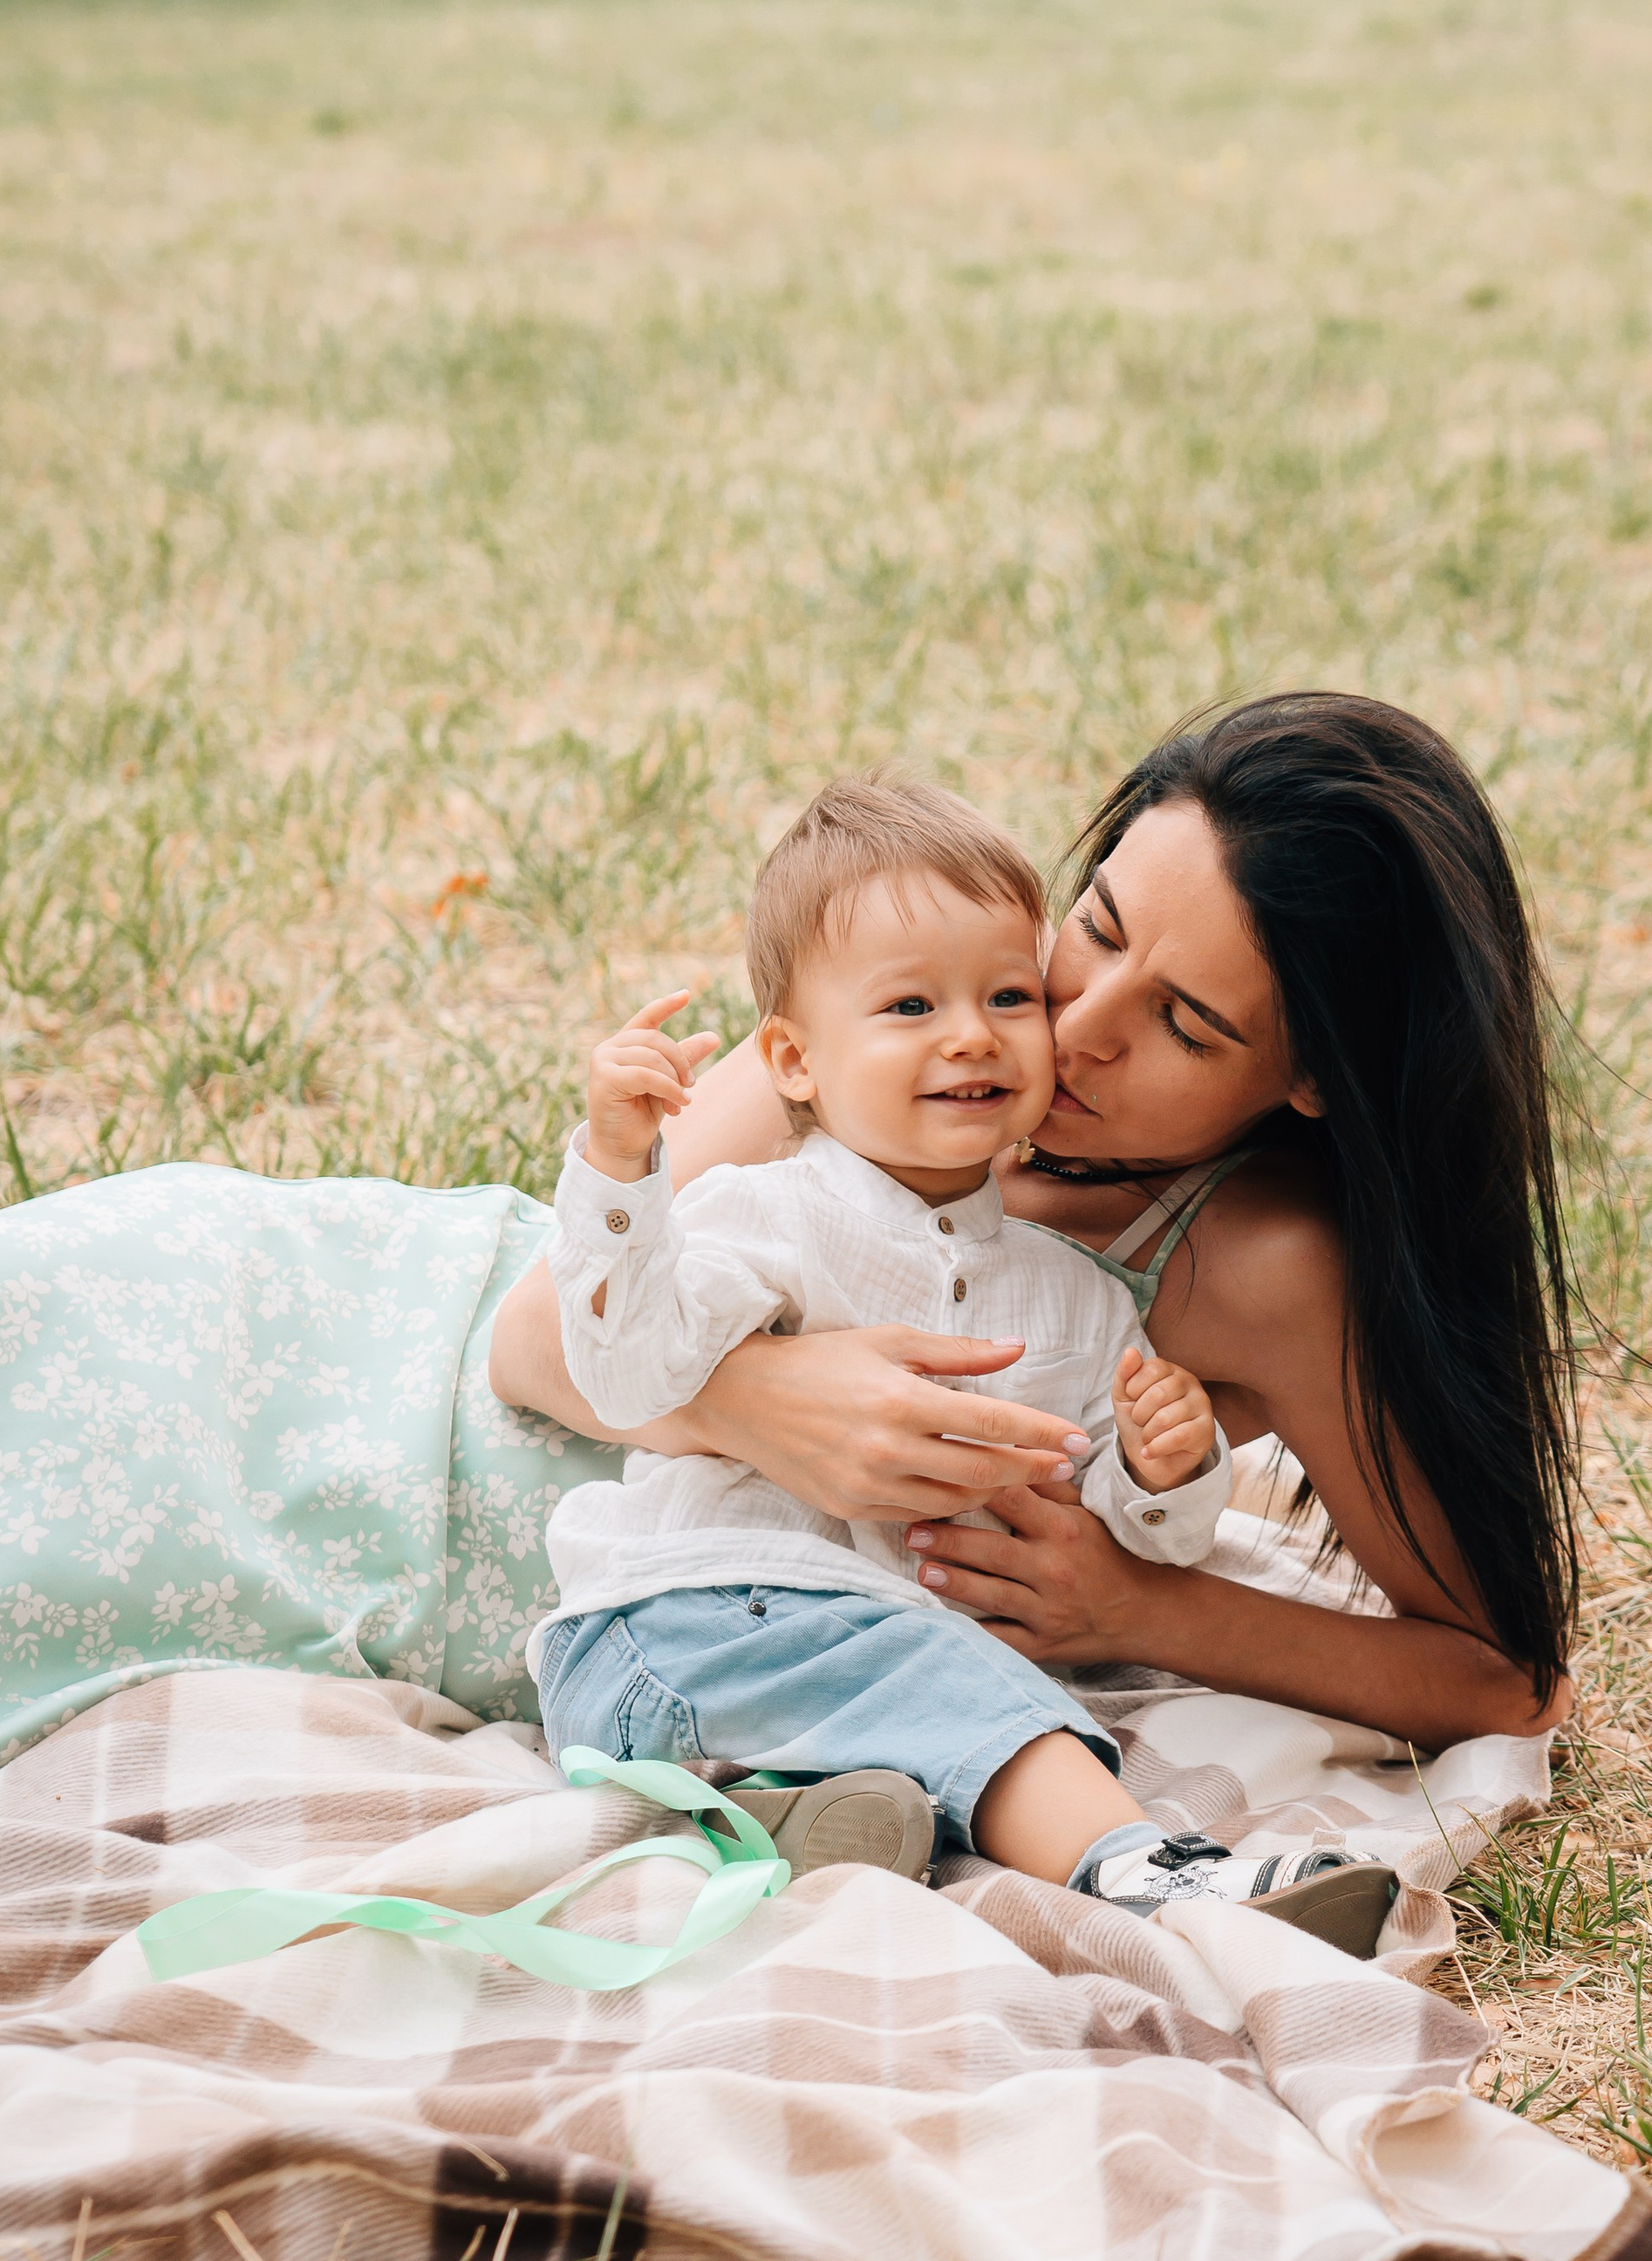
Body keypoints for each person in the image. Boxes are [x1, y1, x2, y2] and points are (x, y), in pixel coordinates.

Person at [492, 691, 1582, 1757]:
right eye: (1098, 930)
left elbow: (1502, 1681)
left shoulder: (1257, 1266)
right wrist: (766, 1403)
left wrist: (1138, 1609)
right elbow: (524, 1337)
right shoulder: (915, 1030)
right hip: (483, 1435)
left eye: (1186, 1025)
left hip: (732, 1646)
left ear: (1314, 1076)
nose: (1080, 1026)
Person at [532, 774, 1392, 1935]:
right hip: (673, 1631)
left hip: (833, 1681)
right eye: (910, 1007)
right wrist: (620, 1167)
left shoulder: (1075, 1300)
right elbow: (624, 1367)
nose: (972, 1033)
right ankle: (1150, 1872)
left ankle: (795, 1815)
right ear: (793, 1059)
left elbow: (1142, 1537)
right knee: (978, 1694)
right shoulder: (760, 1215)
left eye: (1004, 993)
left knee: (931, 1687)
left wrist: (1162, 1469)